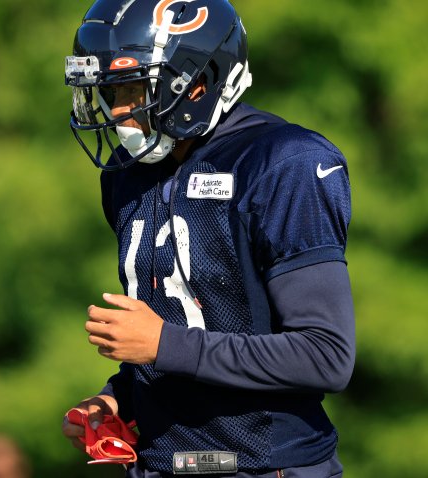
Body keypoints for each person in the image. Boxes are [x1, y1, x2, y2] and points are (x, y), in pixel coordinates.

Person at [61, 1, 355, 477]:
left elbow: (325, 355)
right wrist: (120, 398)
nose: (117, 112)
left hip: (264, 467)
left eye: (133, 90)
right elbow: (191, 323)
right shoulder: (129, 175)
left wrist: (163, 347)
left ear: (196, 83)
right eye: (110, 91)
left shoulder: (282, 161)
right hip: (160, 465)